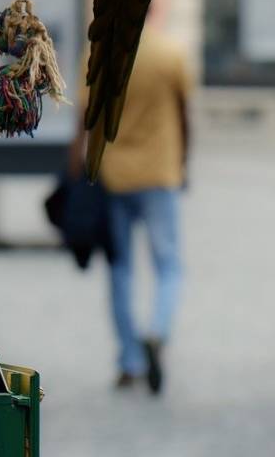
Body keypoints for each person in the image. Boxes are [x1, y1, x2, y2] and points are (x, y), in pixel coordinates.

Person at [71, 23, 191, 395]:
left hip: (115, 175)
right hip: (161, 172)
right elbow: (185, 115)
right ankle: (157, 331)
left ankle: (129, 360)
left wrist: (77, 164)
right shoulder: (171, 54)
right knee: (168, 264)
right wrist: (185, 160)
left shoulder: (100, 56)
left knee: (120, 268)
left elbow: (85, 118)